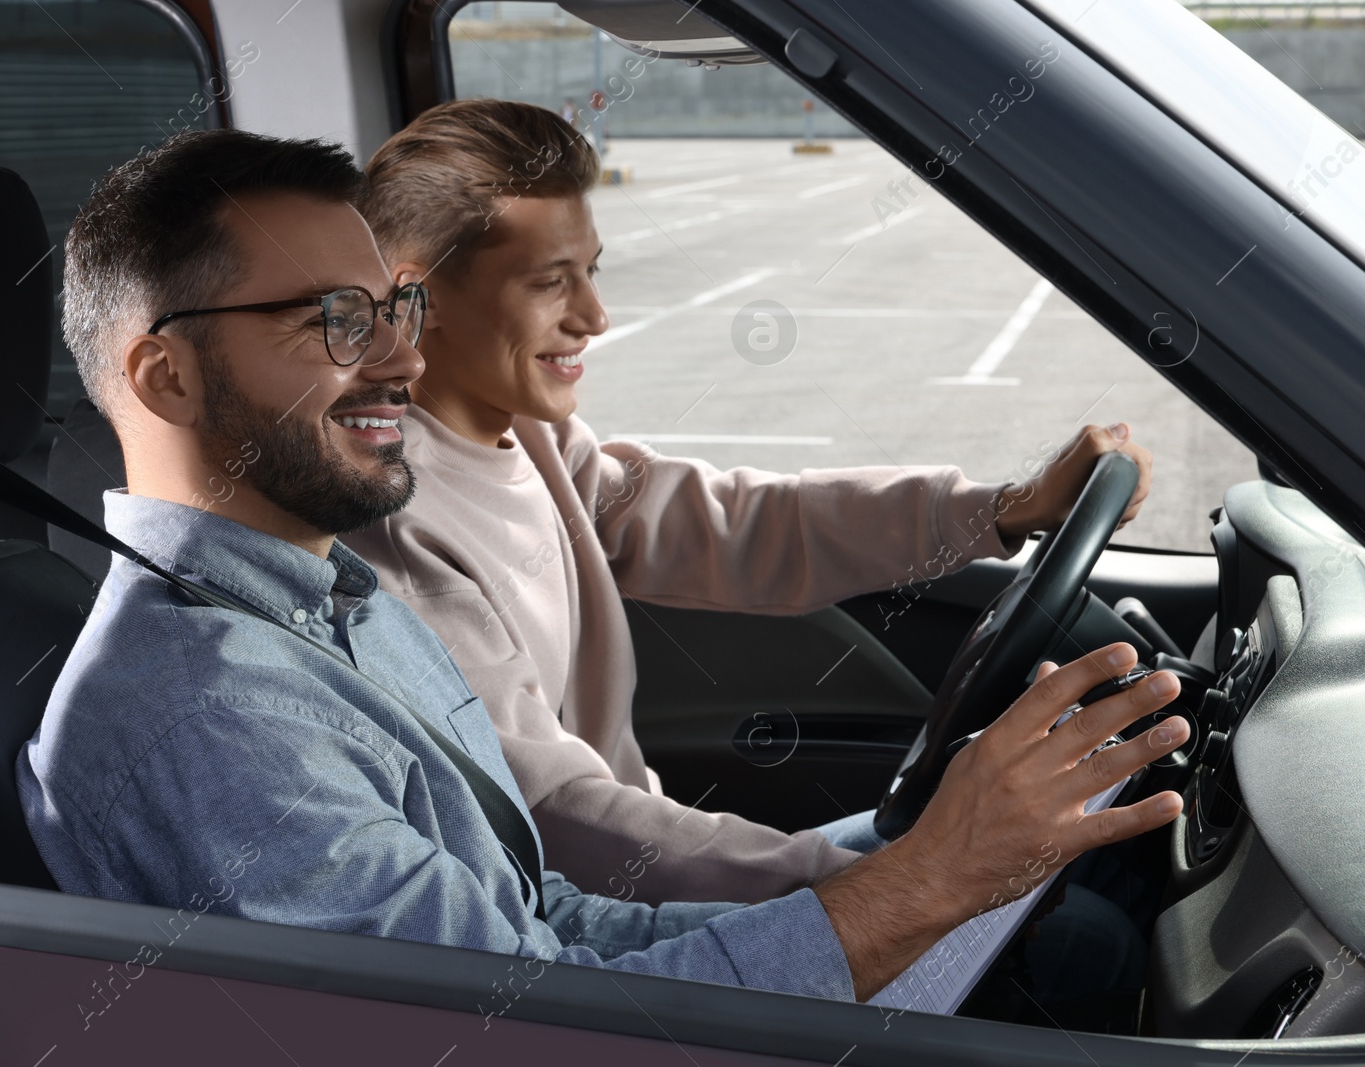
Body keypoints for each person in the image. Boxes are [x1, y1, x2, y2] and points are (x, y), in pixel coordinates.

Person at [16, 128, 1188, 1005]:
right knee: (1092, 952)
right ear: (165, 376)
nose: (397, 357)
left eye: (394, 309)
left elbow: (532, 913)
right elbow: (518, 1024)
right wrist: (921, 883)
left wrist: (898, 878)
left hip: (599, 993)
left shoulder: (326, 602)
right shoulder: (207, 716)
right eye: (335, 318)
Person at [345, 98, 1157, 904]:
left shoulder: (535, 436)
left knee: (1079, 872)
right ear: (422, 299)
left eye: (590, 271)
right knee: (1082, 945)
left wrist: (1001, 508)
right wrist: (881, 886)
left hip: (649, 871)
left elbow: (744, 524)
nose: (595, 316)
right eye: (550, 283)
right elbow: (553, 812)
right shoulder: (398, 524)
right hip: (591, 921)